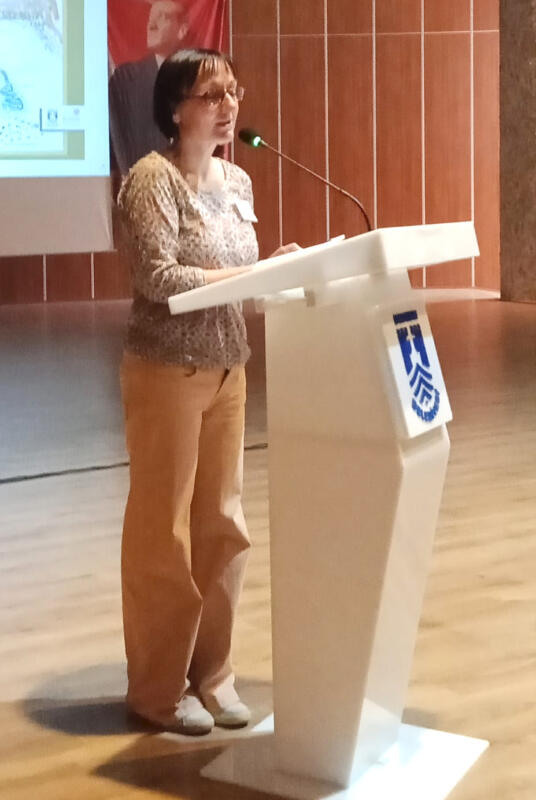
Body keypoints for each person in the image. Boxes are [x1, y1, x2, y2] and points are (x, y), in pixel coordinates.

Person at [117, 47, 298, 736]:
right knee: (163, 531)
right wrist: (251, 279)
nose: (228, 107)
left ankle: (213, 676)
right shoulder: (151, 179)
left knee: (223, 525)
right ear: (174, 108)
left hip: (229, 368)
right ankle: (158, 690)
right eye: (211, 95)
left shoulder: (239, 180)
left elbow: (238, 272)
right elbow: (160, 279)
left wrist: (276, 271)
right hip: (167, 369)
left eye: (233, 92)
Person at [109, 0, 189, 175]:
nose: (151, 25)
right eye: (151, 17)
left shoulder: (197, 78)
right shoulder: (126, 80)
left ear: (182, 30)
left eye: (163, 17)